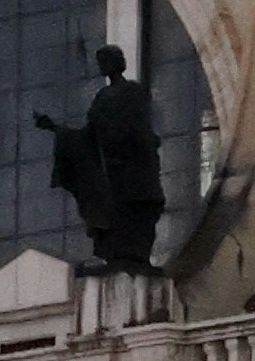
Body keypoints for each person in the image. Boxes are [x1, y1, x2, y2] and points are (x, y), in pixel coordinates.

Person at [42, 43, 168, 276]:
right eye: (101, 62)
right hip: (111, 169)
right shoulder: (102, 97)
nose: (103, 66)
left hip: (131, 167)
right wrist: (56, 129)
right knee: (109, 211)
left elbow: (137, 127)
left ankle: (133, 256)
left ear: (118, 63)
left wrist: (117, 140)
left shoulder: (132, 91)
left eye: (106, 61)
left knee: (132, 212)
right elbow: (89, 134)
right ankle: (114, 254)